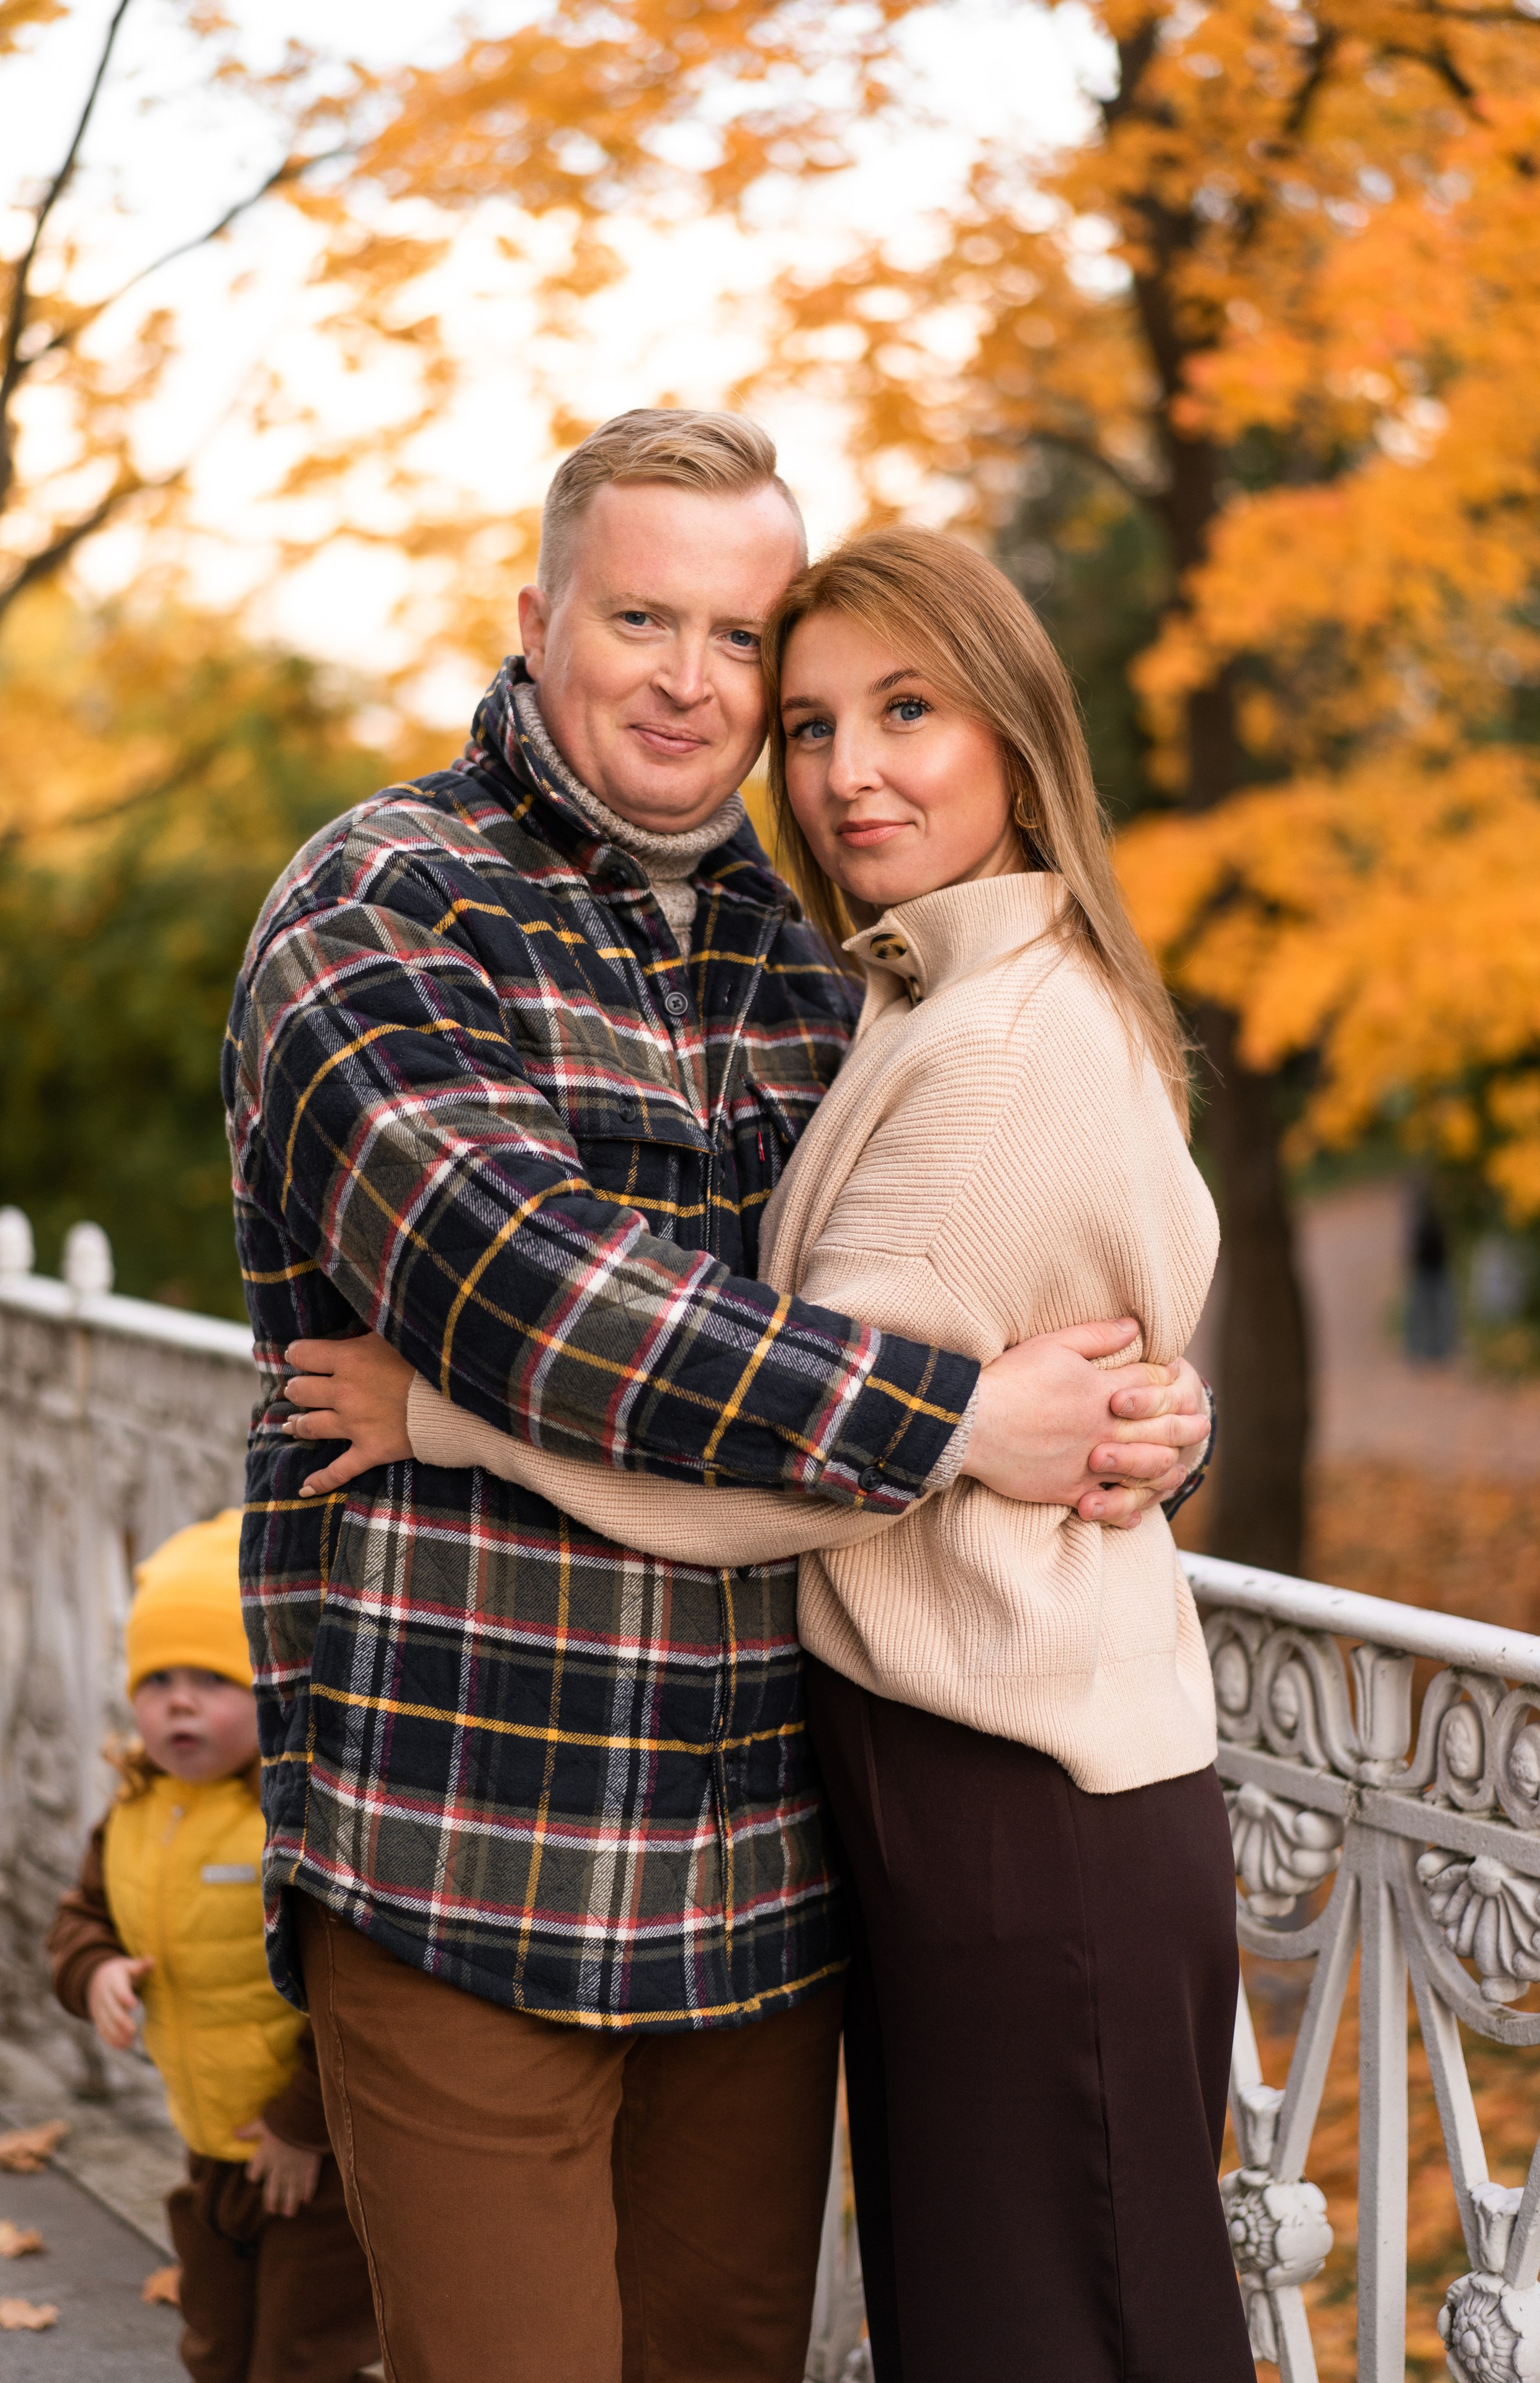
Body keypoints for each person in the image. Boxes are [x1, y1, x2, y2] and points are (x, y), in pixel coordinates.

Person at [224, 408, 1216, 2383]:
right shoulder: (384, 905)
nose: (694, 681)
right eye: (642, 617)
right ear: (539, 617)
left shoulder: (813, 952)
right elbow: (542, 1303)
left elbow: (994, 1274)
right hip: (470, 1841)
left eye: (742, 637)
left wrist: (1133, 1427)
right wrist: (951, 1422)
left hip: (767, 1869)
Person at [47, 1512, 379, 2383]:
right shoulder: (133, 1817)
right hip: (208, 2137)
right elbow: (82, 1921)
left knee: (301, 2353)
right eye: (157, 1681)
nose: (179, 1701)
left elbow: (349, 1988)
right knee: (216, 2340)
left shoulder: (291, 1820)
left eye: (211, 1679)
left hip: (310, 2154)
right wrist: (97, 1974)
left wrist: (301, 2126)